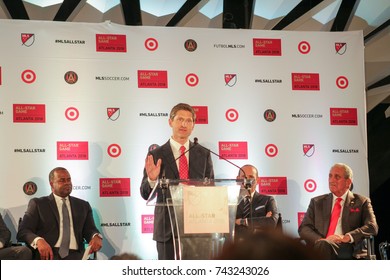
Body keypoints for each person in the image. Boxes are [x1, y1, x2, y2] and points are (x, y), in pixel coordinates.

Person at [140, 103, 214, 260]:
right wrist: (152, 180)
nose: (184, 124)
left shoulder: (203, 154)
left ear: (193, 126)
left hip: (198, 228)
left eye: (189, 121)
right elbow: (145, 193)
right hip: (167, 230)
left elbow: (211, 189)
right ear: (170, 122)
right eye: (180, 119)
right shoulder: (155, 154)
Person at [17, 167, 103, 260]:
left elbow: (90, 230)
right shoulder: (38, 204)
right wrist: (38, 240)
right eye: (62, 180)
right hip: (49, 255)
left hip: (77, 256)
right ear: (51, 184)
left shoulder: (83, 205)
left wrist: (95, 236)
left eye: (68, 179)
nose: (67, 183)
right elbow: (23, 231)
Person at [298, 163, 379, 259]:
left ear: (348, 182)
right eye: (330, 176)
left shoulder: (361, 202)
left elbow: (372, 226)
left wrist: (347, 237)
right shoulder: (317, 202)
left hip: (349, 248)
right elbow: (304, 228)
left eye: (337, 177)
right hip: (322, 245)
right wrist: (321, 240)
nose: (331, 180)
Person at [234, 164, 278, 242]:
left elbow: (271, 222)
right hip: (235, 246)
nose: (247, 180)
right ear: (238, 179)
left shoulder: (267, 200)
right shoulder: (230, 201)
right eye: (243, 177)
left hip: (260, 247)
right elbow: (227, 225)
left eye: (251, 177)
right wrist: (260, 222)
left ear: (258, 180)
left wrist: (242, 221)